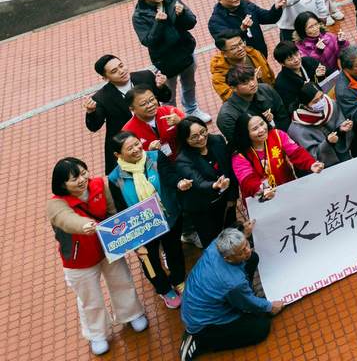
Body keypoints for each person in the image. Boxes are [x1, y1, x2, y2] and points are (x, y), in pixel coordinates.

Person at [48, 157, 148, 356]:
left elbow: (113, 212)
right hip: (79, 261)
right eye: (74, 178)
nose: (82, 180)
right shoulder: (55, 204)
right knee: (90, 299)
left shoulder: (100, 185)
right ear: (62, 184)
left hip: (108, 249)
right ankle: (97, 334)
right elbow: (66, 219)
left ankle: (132, 314)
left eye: (83, 173)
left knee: (122, 282)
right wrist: (84, 225)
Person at [108, 132, 185, 308]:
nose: (137, 149)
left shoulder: (156, 157)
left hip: (169, 217)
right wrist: (134, 240)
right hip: (142, 227)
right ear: (118, 154)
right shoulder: (114, 178)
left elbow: (170, 177)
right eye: (130, 148)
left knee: (174, 251)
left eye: (137, 143)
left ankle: (179, 279)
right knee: (149, 260)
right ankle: (164, 289)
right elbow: (121, 208)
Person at [179, 228, 282, 359]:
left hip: (199, 299)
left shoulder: (217, 244)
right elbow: (248, 303)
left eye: (246, 244)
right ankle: (201, 340)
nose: (247, 250)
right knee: (261, 327)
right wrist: (270, 307)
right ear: (228, 258)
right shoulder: (233, 283)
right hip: (205, 321)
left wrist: (244, 232)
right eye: (241, 252)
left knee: (252, 258)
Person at [86, 55, 174, 173]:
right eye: (114, 71)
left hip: (156, 134)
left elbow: (165, 97)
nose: (121, 71)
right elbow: (94, 126)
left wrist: (161, 87)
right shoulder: (101, 98)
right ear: (105, 78)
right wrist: (90, 112)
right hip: (129, 145)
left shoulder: (145, 76)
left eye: (121, 66)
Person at [132, 0, 202, 118]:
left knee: (189, 84)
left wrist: (182, 14)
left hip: (186, 52)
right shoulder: (139, 16)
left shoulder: (172, 1)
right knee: (169, 94)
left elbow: (192, 22)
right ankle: (172, 117)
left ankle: (192, 110)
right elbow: (148, 41)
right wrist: (158, 23)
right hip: (165, 61)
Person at [173, 116, 239, 247]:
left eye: (203, 132)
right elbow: (198, 182)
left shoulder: (217, 141)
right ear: (185, 139)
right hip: (204, 208)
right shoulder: (183, 160)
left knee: (232, 234)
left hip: (226, 199)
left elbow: (229, 169)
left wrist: (232, 197)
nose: (201, 138)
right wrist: (215, 185)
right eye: (194, 137)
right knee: (213, 242)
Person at [231, 114, 322, 200]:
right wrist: (262, 189)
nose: (262, 129)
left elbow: (296, 153)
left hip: (287, 189)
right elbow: (247, 180)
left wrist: (311, 164)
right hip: (261, 198)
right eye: (255, 129)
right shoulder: (240, 156)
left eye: (262, 124)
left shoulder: (277, 135)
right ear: (245, 133)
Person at [287, 82, 354, 168]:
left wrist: (341, 130)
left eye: (322, 96)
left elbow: (341, 127)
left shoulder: (331, 105)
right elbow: (312, 157)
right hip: (326, 169)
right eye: (315, 101)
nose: (321, 102)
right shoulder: (297, 129)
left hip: (346, 159)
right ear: (305, 106)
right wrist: (327, 143)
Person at [216, 64, 286, 143]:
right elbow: (239, 143)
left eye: (252, 78)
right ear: (233, 88)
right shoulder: (227, 116)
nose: (252, 84)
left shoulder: (266, 89)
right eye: (245, 83)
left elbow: (283, 116)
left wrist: (279, 137)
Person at [121, 84, 187, 159]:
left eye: (152, 99)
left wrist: (180, 122)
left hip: (182, 158)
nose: (150, 105)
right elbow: (130, 159)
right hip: (155, 164)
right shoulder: (128, 131)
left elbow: (192, 131)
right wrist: (150, 152)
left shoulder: (170, 111)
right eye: (143, 104)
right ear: (132, 109)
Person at [210, 32, 274, 102]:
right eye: (234, 48)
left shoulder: (254, 54)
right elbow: (231, 99)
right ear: (224, 53)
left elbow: (270, 76)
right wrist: (254, 80)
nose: (240, 48)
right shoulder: (219, 76)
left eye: (240, 43)